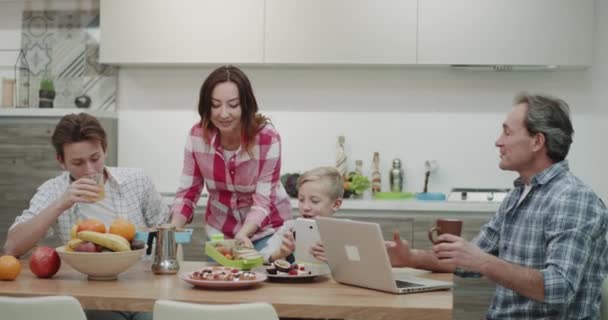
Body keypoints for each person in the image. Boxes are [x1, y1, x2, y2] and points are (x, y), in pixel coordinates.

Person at [386, 93, 608, 319]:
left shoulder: (572, 198)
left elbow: (559, 287)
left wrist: (482, 261)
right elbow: (469, 259)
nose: (498, 141)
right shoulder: (519, 194)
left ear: (537, 142)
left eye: (508, 132)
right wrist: (409, 257)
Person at [3, 112, 169, 320]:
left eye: (95, 158)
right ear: (61, 162)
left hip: (142, 291)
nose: (89, 170)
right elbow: (12, 247)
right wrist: (61, 204)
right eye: (78, 163)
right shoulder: (54, 190)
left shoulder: (136, 180)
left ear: (105, 150)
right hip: (90, 295)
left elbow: (167, 228)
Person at [170, 65, 292, 251]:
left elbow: (263, 200)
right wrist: (173, 229)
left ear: (246, 105)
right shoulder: (197, 136)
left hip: (268, 232)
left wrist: (243, 234)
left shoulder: (267, 138)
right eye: (215, 105)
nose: (224, 114)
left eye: (233, 105)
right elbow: (188, 193)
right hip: (220, 233)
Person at [259, 166, 344, 263]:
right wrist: (280, 253)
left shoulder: (342, 234)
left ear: (336, 204)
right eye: (301, 200)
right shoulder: (289, 228)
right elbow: (262, 257)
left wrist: (334, 261)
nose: (305, 207)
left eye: (314, 201)